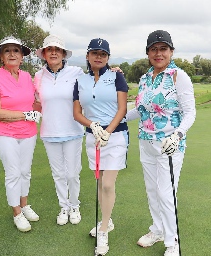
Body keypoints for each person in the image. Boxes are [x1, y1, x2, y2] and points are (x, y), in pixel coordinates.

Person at [126, 30, 196, 256]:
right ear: (148, 53)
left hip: (169, 145)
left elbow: (190, 113)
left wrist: (177, 135)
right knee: (152, 190)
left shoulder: (179, 76)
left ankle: (172, 240)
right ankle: (157, 229)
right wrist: (116, 119)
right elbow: (140, 109)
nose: (158, 53)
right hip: (146, 142)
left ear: (171, 51)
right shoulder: (146, 78)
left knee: (166, 194)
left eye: (163, 49)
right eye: (153, 49)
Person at [73, 38, 129, 256]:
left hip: (115, 137)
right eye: (94, 53)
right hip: (92, 137)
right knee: (99, 182)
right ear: (87, 56)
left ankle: (103, 230)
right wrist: (93, 125)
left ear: (107, 57)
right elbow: (77, 113)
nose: (99, 57)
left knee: (107, 184)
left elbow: (122, 108)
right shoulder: (81, 81)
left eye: (103, 54)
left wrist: (107, 131)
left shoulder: (117, 77)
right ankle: (108, 219)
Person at [0, 36, 42, 232]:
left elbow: (34, 102)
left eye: (16, 51)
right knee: (13, 173)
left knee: (25, 171)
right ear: (1, 56)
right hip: (4, 133)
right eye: (7, 50)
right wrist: (25, 114)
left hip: (28, 132)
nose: (12, 54)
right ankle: (16, 212)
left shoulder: (27, 77)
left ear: (22, 56)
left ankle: (24, 205)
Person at [33, 35, 85, 226]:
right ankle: (64, 206)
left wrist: (112, 73)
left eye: (57, 49)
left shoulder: (76, 72)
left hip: (73, 130)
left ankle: (74, 205)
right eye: (49, 49)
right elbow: (35, 102)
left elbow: (94, 83)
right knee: (58, 174)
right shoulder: (38, 77)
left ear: (63, 54)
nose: (53, 52)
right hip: (49, 132)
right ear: (44, 54)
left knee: (72, 173)